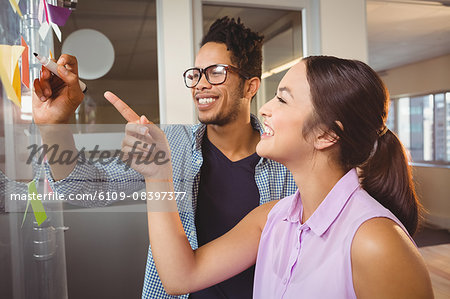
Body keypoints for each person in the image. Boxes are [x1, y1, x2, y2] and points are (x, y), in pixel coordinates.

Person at [114, 56, 434, 298]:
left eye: (282, 98)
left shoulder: (376, 242)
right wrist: (157, 175)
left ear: (326, 134)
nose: (264, 108)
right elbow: (179, 276)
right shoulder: (273, 218)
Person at [32, 17, 296, 298]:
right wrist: (54, 127)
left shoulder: (287, 161)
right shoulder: (170, 143)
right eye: (196, 74)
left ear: (251, 86)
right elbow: (82, 187)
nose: (200, 85)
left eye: (216, 72)